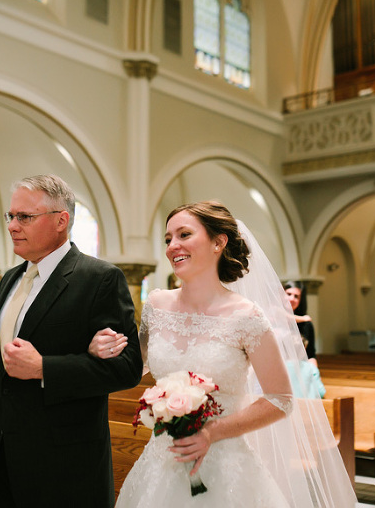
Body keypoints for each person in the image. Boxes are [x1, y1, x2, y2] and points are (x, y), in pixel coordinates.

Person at [114, 201, 355, 507]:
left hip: (226, 467)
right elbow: (138, 368)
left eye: (184, 234)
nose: (173, 246)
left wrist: (212, 432)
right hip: (161, 460)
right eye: (168, 239)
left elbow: (280, 399)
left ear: (218, 242)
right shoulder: (156, 306)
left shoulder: (246, 317)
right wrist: (109, 348)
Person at [0, 174, 143, 508]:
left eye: (24, 217)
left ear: (60, 221)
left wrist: (45, 369)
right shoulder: (11, 278)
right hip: (4, 452)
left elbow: (127, 369)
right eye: (10, 216)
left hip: (64, 461)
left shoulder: (99, 278)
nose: (12, 225)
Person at [283, 280, 317, 365]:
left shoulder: (306, 325)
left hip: (299, 368)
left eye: (296, 296)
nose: (292, 299)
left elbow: (310, 354)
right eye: (288, 294)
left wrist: (314, 372)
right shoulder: (272, 318)